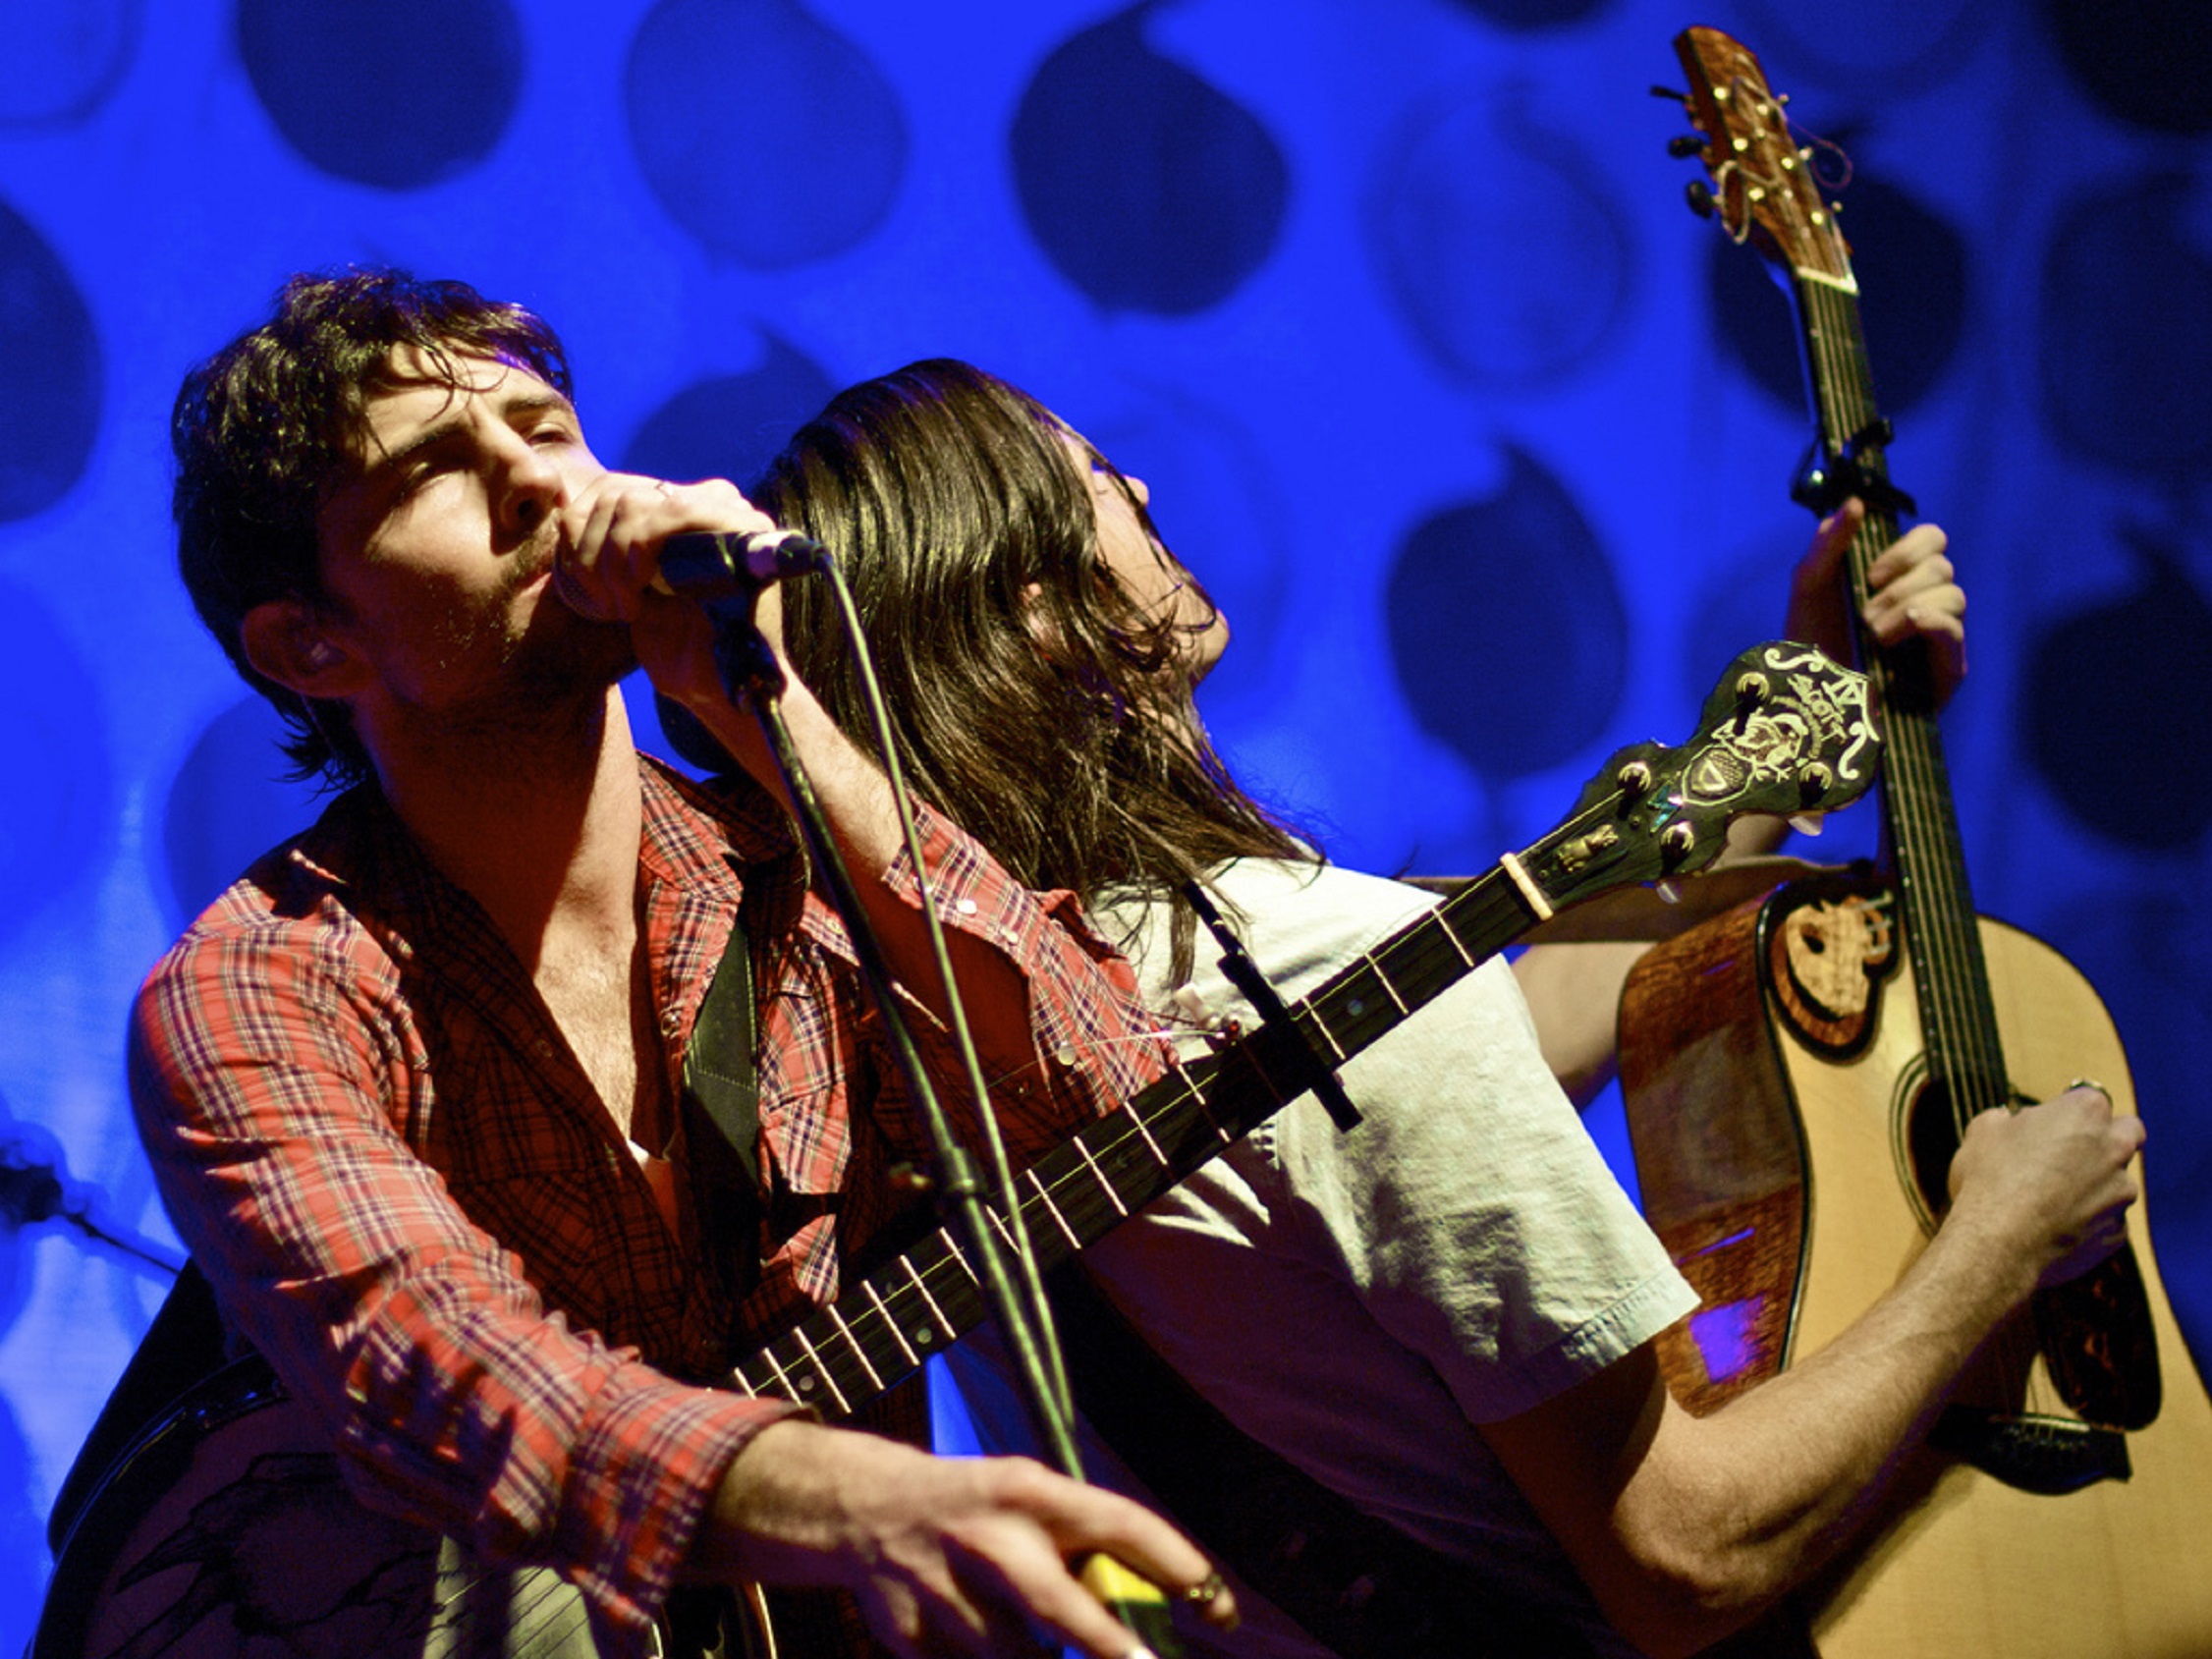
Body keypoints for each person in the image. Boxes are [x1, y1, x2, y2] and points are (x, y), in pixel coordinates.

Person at [749, 359, 2143, 1659]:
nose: (1147, 494)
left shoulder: (940, 1033)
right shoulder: (1312, 971)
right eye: (1100, 479)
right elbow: (1681, 1553)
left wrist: (1792, 732)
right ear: (1048, 612)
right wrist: (1996, 1244)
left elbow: (1410, 1146)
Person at [125, 276, 1239, 1659]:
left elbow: (1125, 1111)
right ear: (312, 640)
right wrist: (847, 1496)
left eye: (547, 427)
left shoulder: (792, 861)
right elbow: (438, 1360)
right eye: (440, 473)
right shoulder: (262, 987)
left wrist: (768, 714)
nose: (538, 482)